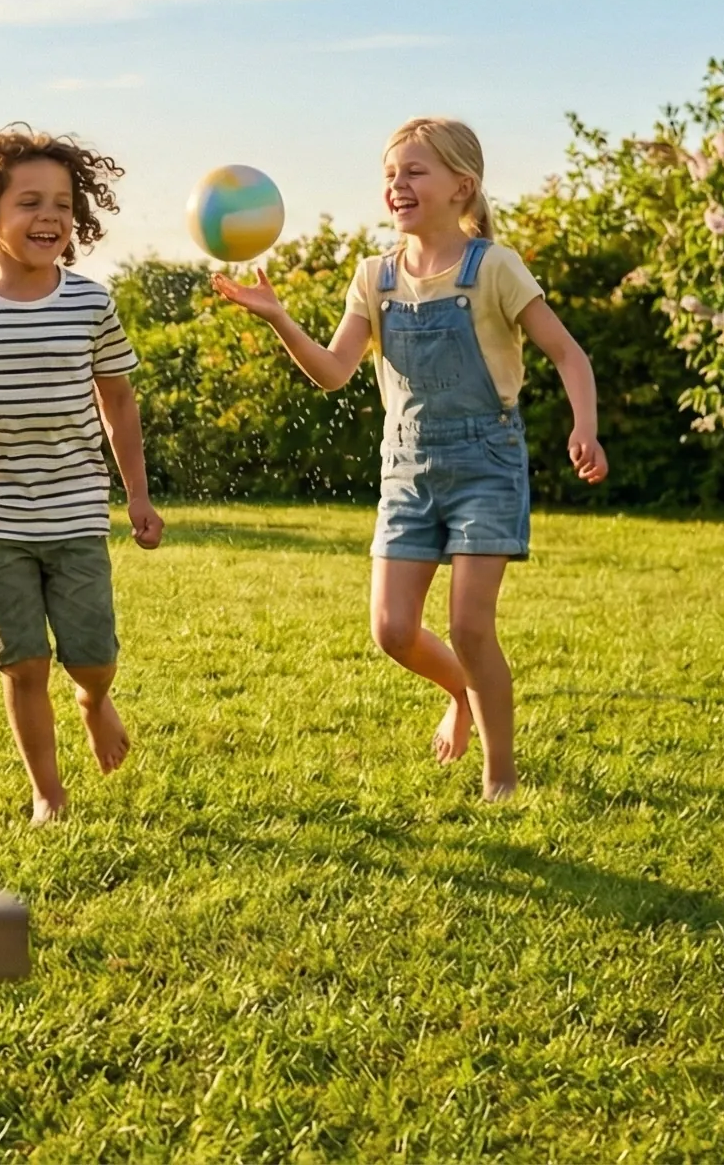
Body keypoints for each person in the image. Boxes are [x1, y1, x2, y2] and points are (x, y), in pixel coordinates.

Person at [211, 117, 606, 800]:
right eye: (391, 174)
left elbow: (569, 353)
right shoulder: (375, 276)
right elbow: (335, 371)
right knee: (393, 631)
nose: (398, 185)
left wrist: (586, 427)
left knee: (469, 624)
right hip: (407, 469)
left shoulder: (496, 267)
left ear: (463, 186)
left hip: (487, 461)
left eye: (415, 172)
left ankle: (500, 777)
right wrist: (278, 316)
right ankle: (461, 693)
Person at [0, 126, 165, 826]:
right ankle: (48, 792)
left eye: (62, 203)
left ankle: (95, 701)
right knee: (22, 664)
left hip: (76, 511)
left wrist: (137, 494)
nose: (49, 216)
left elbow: (119, 400)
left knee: (91, 658)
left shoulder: (89, 304)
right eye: (29, 203)